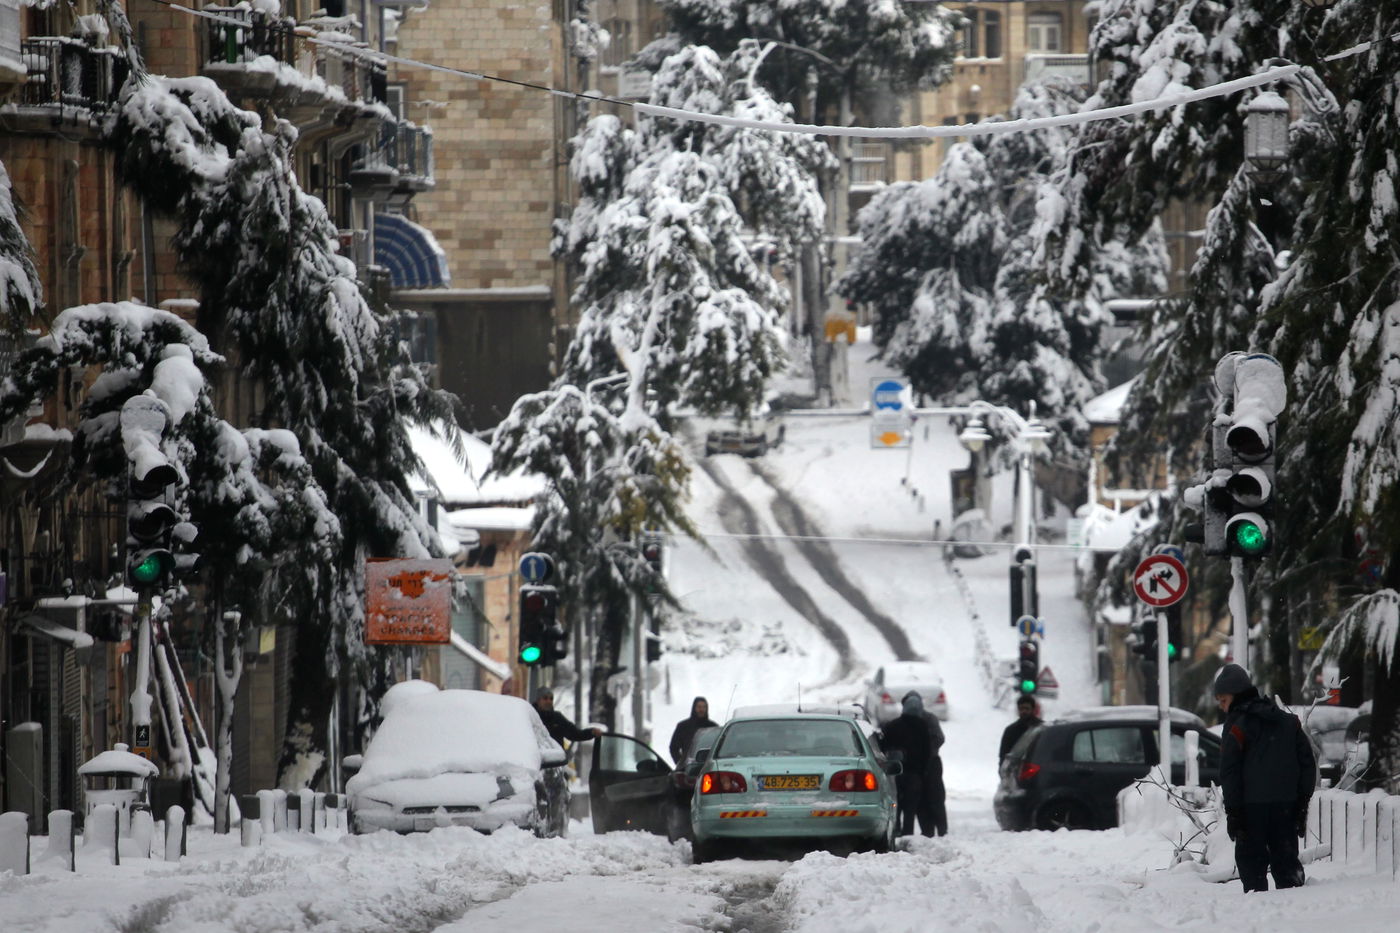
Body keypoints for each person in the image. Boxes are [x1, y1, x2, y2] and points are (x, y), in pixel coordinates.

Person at [1215, 662, 1317, 893]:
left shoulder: (1237, 726)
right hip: (1286, 807)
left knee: (1252, 876)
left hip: (1251, 811)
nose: (1222, 708)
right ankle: (1296, 918)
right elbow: (1307, 764)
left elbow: (1229, 771)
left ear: (1235, 695)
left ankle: (1258, 923)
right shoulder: (1287, 721)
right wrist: (1302, 801)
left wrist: (1234, 811)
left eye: (1223, 700)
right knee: (1288, 870)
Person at [879, 692, 934, 836]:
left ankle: (896, 828)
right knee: (911, 806)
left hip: (895, 773)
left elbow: (882, 746)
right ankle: (908, 832)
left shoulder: (893, 725)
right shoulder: (922, 727)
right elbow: (927, 751)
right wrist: (924, 771)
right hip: (915, 775)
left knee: (896, 803)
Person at [532, 687, 602, 749]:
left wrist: (591, 732)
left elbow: (575, 734)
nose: (549, 701)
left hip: (556, 761)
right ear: (538, 701)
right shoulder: (531, 717)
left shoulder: (557, 718)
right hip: (536, 760)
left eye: (551, 698)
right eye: (545, 698)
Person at [669, 696, 718, 764]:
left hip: (708, 767)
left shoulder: (713, 727)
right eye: (699, 707)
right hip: (688, 769)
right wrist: (680, 763)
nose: (701, 709)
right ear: (694, 708)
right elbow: (673, 748)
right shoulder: (683, 726)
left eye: (704, 707)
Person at [998, 694, 1042, 765]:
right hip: (1016, 771)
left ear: (1033, 709)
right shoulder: (1010, 731)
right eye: (1021, 708)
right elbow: (1003, 756)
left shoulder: (1042, 729)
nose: (1024, 711)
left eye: (1027, 708)